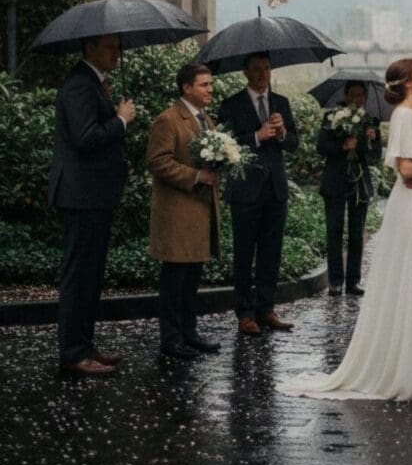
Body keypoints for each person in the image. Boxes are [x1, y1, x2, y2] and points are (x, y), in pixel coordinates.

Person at [278, 58, 412, 401]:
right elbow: (407, 170)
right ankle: (404, 371)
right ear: (408, 83)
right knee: (409, 279)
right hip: (411, 209)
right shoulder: (405, 117)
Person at [48, 34, 135, 375]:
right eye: (111, 47)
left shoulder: (95, 84)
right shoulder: (80, 85)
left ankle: (85, 345)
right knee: (78, 275)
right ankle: (73, 353)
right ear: (90, 48)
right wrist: (122, 120)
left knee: (91, 275)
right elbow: (85, 138)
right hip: (80, 196)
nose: (118, 53)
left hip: (94, 196)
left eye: (119, 47)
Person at [217, 52, 299, 335]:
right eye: (257, 69)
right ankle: (245, 313)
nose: (263, 74)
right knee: (244, 253)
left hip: (275, 189)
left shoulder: (281, 103)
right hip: (245, 191)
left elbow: (294, 144)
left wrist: (282, 134)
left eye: (267, 68)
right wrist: (256, 137)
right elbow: (222, 147)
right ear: (246, 73)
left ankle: (266, 309)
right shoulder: (231, 105)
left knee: (271, 252)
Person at [147, 62, 222, 359]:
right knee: (175, 279)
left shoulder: (208, 120)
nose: (210, 90)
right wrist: (196, 176)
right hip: (177, 213)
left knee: (192, 278)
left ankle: (189, 333)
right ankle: (171, 338)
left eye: (211, 84)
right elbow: (157, 161)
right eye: (204, 85)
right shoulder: (168, 120)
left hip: (201, 211)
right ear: (186, 87)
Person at [317, 81, 382, 296]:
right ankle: (335, 281)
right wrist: (343, 146)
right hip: (334, 182)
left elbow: (374, 157)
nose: (356, 99)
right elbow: (321, 147)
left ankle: (353, 281)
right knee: (334, 232)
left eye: (360, 95)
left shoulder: (371, 121)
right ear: (345, 95)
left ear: (365, 97)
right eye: (352, 94)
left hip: (359, 184)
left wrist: (369, 142)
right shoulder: (331, 117)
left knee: (356, 233)